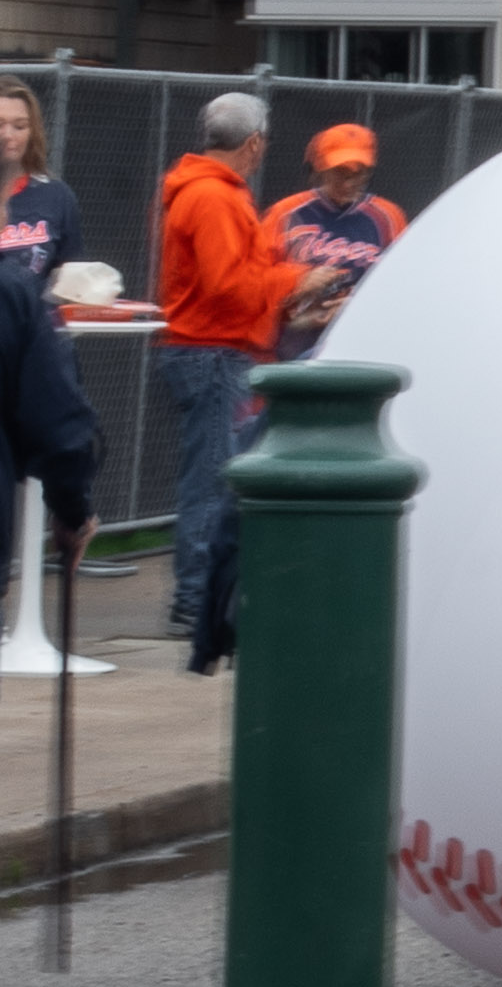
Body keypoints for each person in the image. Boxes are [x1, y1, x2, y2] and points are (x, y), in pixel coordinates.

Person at [154, 92, 287, 672]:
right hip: (212, 351)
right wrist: (295, 282)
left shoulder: (209, 190)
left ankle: (197, 597)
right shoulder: (212, 196)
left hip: (212, 350)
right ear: (254, 143)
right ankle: (195, 600)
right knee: (213, 480)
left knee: (212, 475)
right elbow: (229, 286)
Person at [262, 117, 403, 359]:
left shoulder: (388, 216)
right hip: (293, 344)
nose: (349, 182)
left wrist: (357, 306)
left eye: (359, 173)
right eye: (340, 172)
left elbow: (402, 286)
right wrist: (300, 281)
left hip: (362, 342)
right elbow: (256, 280)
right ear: (320, 168)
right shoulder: (286, 214)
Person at [0, 88, 85, 299]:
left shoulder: (56, 196)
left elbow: (73, 277)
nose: (8, 135)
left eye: (20, 126)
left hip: (30, 324)